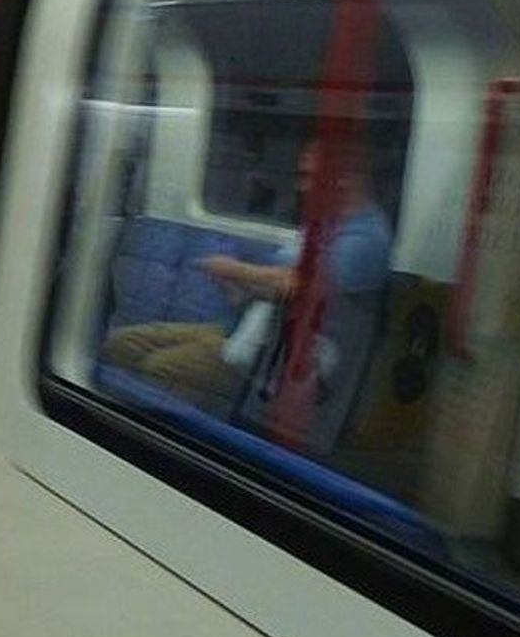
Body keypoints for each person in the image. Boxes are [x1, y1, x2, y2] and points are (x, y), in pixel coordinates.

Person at [101, 140, 391, 436]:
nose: (302, 187)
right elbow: (275, 285)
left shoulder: (366, 240)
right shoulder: (322, 224)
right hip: (243, 334)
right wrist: (241, 288)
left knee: (160, 368)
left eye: (310, 177)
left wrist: (233, 269)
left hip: (270, 359)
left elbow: (297, 283)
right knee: (123, 343)